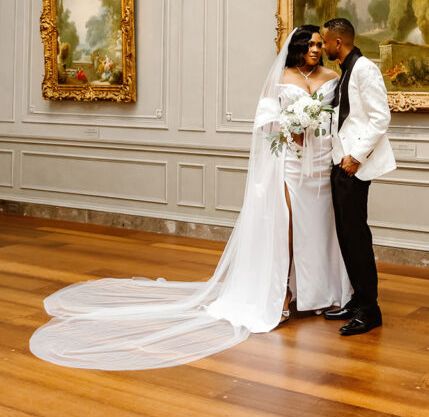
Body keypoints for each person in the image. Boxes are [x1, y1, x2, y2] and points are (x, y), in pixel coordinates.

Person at [29, 26, 350, 370]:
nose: (317, 48)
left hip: (319, 164)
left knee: (318, 227)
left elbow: (341, 116)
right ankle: (283, 294)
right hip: (288, 161)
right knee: (287, 225)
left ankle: (318, 294)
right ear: (299, 46)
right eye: (312, 43)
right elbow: (266, 116)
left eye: (320, 44)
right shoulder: (283, 75)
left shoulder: (333, 75)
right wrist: (290, 128)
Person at [321, 18, 396, 336]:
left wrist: (355, 158)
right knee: (346, 236)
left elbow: (381, 118)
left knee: (357, 238)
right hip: (341, 164)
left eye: (324, 41)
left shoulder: (364, 68)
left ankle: (370, 310)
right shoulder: (347, 69)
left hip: (355, 166)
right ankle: (357, 299)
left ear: (337, 42)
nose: (322, 47)